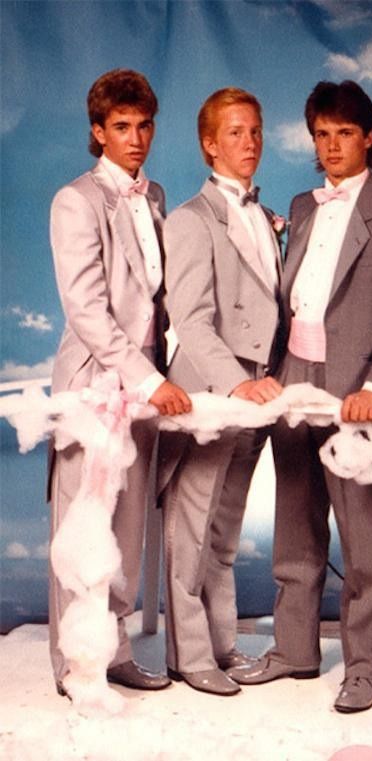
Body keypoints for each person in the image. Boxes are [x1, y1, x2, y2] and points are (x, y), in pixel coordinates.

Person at [230, 80, 372, 713]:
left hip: (358, 390)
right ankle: (295, 650)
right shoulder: (303, 204)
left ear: (368, 137)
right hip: (294, 379)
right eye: (322, 134)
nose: (332, 146)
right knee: (295, 526)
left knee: (364, 537)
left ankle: (365, 667)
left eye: (344, 133)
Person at [49, 69, 192, 697]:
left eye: (144, 126)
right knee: (84, 529)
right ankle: (73, 665)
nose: (136, 139)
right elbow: (86, 311)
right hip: (94, 385)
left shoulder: (154, 196)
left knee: (127, 527)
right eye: (122, 127)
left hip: (146, 386)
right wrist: (147, 378)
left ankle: (114, 650)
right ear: (98, 131)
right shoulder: (76, 200)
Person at [157, 87, 284, 696]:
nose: (249, 142)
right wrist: (237, 383)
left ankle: (223, 641)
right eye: (235, 133)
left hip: (256, 390)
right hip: (211, 389)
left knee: (225, 529)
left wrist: (261, 382)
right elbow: (191, 318)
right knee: (192, 523)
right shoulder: (188, 218)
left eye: (255, 131)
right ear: (210, 144)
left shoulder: (264, 213)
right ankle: (187, 654)